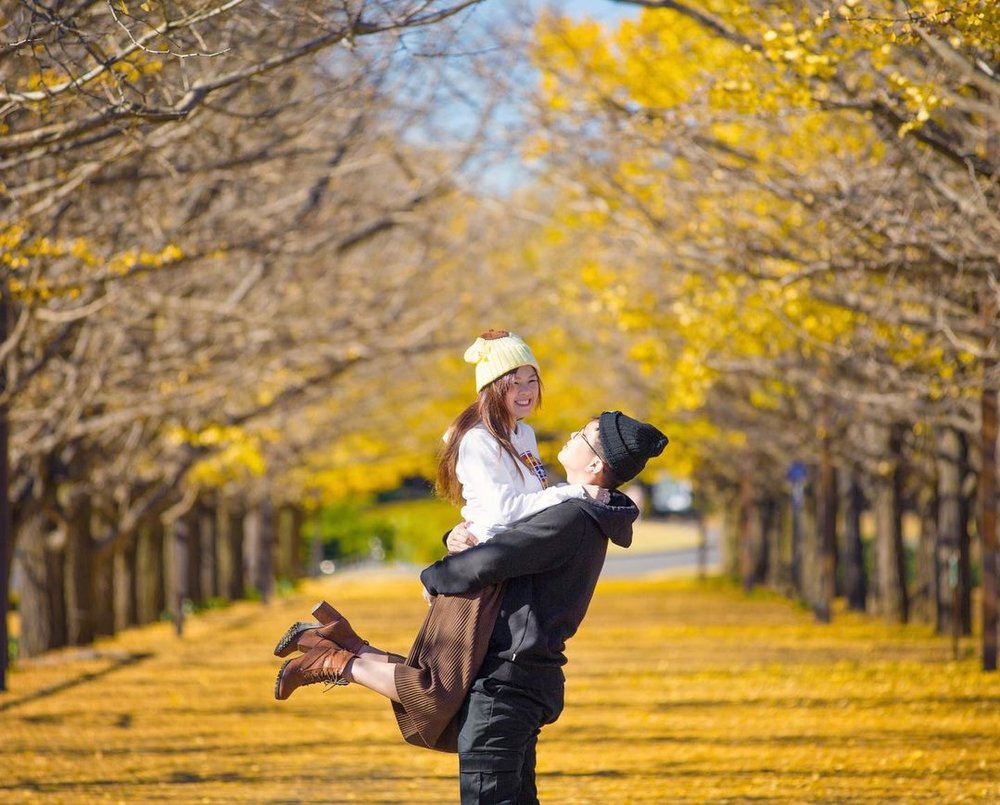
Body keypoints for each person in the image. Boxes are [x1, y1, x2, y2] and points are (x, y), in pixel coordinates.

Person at [274, 408, 668, 804]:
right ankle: (343, 652)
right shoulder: (568, 510)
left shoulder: (572, 518)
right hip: (512, 678)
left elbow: (494, 560)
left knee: (435, 699)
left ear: (596, 464)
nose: (572, 434)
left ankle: (339, 658)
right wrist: (456, 537)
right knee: (434, 693)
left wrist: (434, 576)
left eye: (583, 434)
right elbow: (500, 531)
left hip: (506, 683)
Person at [273, 330, 606, 752]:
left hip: (495, 572)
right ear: (491, 387)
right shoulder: (479, 440)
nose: (525, 391)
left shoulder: (523, 435)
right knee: (436, 692)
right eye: (514, 382)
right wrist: (572, 492)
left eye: (531, 380)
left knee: (441, 687)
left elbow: (518, 506)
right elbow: (504, 511)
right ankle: (334, 659)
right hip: (477, 577)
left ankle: (339, 645)